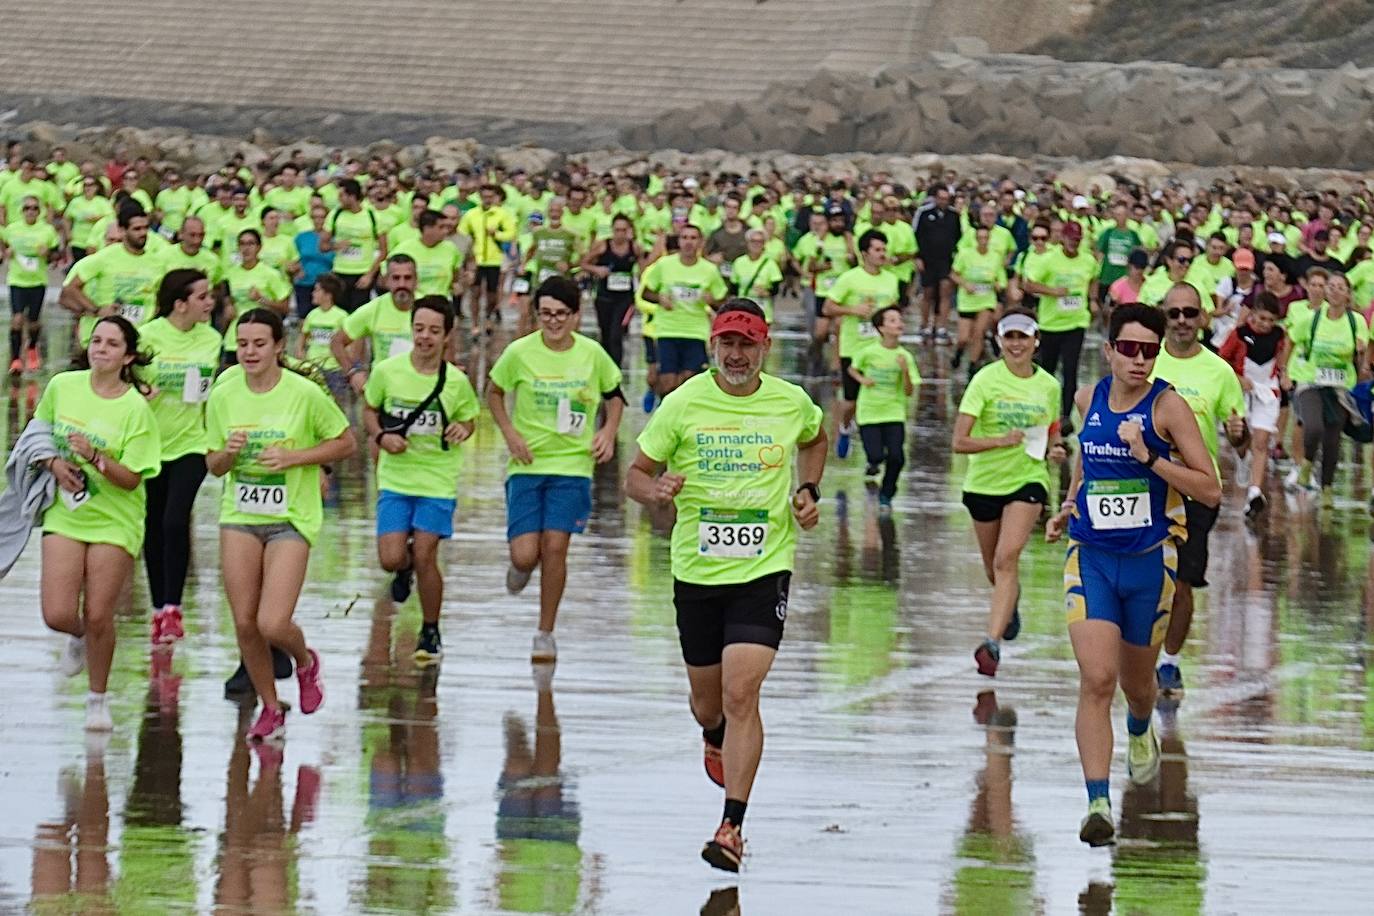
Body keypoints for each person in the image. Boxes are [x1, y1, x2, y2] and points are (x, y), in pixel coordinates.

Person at [626, 300, 826, 872]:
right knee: (708, 703)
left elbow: (816, 438)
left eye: (747, 344)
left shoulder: (790, 401)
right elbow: (635, 474)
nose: (737, 355)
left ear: (765, 348)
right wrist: (655, 492)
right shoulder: (683, 403)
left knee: (742, 693)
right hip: (697, 570)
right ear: (713, 347)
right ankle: (713, 733)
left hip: (764, 567)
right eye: (727, 344)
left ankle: (732, 826)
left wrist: (807, 490)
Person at [1046, 304, 1220, 848]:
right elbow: (1087, 460)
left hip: (1149, 561)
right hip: (1092, 556)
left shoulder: (1168, 408)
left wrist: (1149, 459)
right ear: (1109, 351)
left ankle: (1141, 727)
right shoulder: (1087, 398)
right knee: (1097, 678)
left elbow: (1209, 488)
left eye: (1149, 350)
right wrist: (1068, 503)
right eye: (1129, 349)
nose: (1139, 360)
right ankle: (1097, 802)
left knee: (1137, 687)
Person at [206, 308, 356, 741]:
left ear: (278, 346)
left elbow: (345, 443)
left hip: (291, 516)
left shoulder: (303, 393)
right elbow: (213, 465)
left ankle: (305, 662)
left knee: (272, 622)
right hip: (240, 515)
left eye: (259, 344)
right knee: (245, 624)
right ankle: (271, 708)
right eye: (242, 344)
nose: (249, 352)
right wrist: (229, 453)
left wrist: (295, 458)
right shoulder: (223, 393)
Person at [487, 275, 624, 663]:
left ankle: (545, 632)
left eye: (562, 314)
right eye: (546, 314)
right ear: (536, 315)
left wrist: (608, 432)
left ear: (576, 316)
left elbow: (615, 396)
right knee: (525, 554)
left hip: (573, 465)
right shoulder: (519, 352)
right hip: (527, 463)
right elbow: (494, 392)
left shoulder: (592, 354)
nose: (554, 322)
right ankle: (520, 569)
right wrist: (510, 433)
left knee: (556, 547)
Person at [38, 315, 161, 731]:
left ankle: (97, 699)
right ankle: (77, 636)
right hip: (66, 512)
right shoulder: (63, 386)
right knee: (57, 613)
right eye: (96, 341)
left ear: (127, 357)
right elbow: (37, 435)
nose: (101, 349)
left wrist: (94, 457)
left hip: (115, 520)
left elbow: (132, 479)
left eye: (111, 344)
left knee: (98, 614)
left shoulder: (135, 409)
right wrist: (55, 464)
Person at [363, 296, 479, 661]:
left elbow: (469, 419)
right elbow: (369, 410)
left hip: (436, 480)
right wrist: (382, 437)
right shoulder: (387, 371)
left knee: (427, 554)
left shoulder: (456, 382)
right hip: (395, 478)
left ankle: (430, 629)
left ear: (447, 336)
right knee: (390, 558)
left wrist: (462, 429)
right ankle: (404, 567)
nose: (425, 337)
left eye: (433, 331)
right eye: (419, 329)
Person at [1148, 284, 1248, 697]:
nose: (1182, 321)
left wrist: (1238, 434)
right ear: (1164, 317)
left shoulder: (1219, 371)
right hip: (1147, 484)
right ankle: (1137, 654)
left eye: (1190, 313)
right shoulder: (1145, 361)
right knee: (1146, 577)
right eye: (1174, 314)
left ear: (1203, 317)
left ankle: (1170, 662)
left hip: (1196, 490)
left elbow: (1240, 442)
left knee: (1183, 583)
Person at [954, 310, 1065, 677]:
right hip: (984, 483)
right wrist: (1000, 441)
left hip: (1028, 480)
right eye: (1010, 337)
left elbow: (1051, 430)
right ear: (999, 341)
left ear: (1036, 341)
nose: (1017, 344)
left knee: (1006, 558)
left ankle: (991, 643)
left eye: (1023, 337)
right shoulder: (985, 380)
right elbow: (959, 442)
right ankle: (1009, 604)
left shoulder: (1049, 385)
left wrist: (1056, 448)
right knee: (994, 568)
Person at [137, 269, 223, 645]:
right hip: (151, 444)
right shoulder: (147, 335)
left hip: (193, 443)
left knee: (175, 521)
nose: (210, 302)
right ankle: (158, 608)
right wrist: (140, 389)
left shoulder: (213, 338)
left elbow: (214, 389)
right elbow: (122, 378)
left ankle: (173, 607)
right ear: (180, 303)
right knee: (153, 525)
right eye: (202, 296)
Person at [1284, 271, 1370, 506]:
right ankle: (1306, 465)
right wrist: (1284, 372)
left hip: (1340, 386)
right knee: (1313, 427)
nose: (1335, 291)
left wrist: (1361, 353)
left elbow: (1362, 349)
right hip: (1310, 381)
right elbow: (1290, 340)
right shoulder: (1312, 319)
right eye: (1331, 286)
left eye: (1340, 287)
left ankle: (1327, 490)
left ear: (1348, 294)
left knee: (1333, 440)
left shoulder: (1356, 321)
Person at [824, 229, 899, 458]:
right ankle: (845, 427)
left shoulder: (891, 279)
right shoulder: (850, 278)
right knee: (851, 402)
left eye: (884, 249)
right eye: (877, 250)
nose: (882, 254)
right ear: (865, 253)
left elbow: (894, 311)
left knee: (878, 400)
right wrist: (852, 309)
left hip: (881, 350)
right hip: (854, 348)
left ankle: (875, 449)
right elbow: (828, 307)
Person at [1219, 293, 1289, 518]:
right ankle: (1242, 458)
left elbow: (1282, 359)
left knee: (1261, 442)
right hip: (1240, 392)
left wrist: (1284, 375)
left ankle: (1254, 492)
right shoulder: (1238, 334)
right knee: (1240, 438)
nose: (1266, 324)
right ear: (1253, 314)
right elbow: (1221, 361)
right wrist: (1238, 379)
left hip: (1267, 393)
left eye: (1271, 320)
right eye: (1262, 318)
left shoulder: (1280, 336)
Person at [639, 224, 728, 397]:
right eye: (684, 238)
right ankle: (663, 405)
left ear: (700, 242)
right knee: (668, 382)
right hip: (667, 330)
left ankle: (681, 409)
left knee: (690, 381)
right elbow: (646, 293)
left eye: (693, 238)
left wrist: (712, 300)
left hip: (696, 332)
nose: (688, 242)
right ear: (679, 241)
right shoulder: (664, 265)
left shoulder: (709, 270)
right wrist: (660, 298)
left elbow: (723, 302)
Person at [1023, 220, 1097, 427]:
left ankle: (1066, 416)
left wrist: (1093, 300)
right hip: (1051, 324)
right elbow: (1028, 284)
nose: (1074, 243)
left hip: (1076, 323)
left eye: (1077, 239)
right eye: (1070, 239)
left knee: (1070, 370)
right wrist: (1052, 291)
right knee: (1048, 370)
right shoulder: (1049, 259)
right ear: (1062, 238)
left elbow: (1094, 279)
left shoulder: (1088, 260)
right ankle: (1045, 410)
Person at [60, 202, 163, 345]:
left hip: (141, 336)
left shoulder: (158, 261)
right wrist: (96, 310)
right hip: (107, 336)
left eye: (146, 228)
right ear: (122, 230)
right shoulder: (103, 257)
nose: (143, 233)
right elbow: (70, 289)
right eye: (137, 229)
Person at [847, 306, 919, 511]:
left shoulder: (905, 356)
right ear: (881, 328)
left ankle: (887, 493)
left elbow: (909, 391)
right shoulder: (869, 352)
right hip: (869, 411)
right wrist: (863, 379)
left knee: (897, 457)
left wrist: (904, 372)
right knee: (876, 455)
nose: (899, 324)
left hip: (894, 412)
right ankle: (873, 463)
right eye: (893, 321)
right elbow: (852, 369)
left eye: (900, 320)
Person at [331, 254, 419, 397]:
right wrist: (352, 373)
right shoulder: (374, 309)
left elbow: (447, 347)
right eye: (396, 278)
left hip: (420, 388)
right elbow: (337, 342)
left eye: (407, 278)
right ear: (386, 280)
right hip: (384, 391)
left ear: (416, 280)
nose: (402, 284)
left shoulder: (428, 308)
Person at [1, 194, 61, 374]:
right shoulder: (12, 229)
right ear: (22, 211)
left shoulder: (47, 231)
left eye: (35, 208)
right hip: (17, 281)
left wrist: (48, 254)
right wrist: (5, 252)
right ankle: (15, 359)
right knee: (17, 319)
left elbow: (56, 255)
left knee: (33, 322)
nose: (31, 211)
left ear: (39, 211)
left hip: (38, 281)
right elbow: (3, 244)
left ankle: (32, 348)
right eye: (27, 208)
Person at [581, 213, 640, 367]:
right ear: (612, 230)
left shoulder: (635, 247)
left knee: (617, 334)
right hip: (604, 297)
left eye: (623, 230)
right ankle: (604, 367)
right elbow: (584, 263)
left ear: (629, 230)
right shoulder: (602, 245)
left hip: (625, 298)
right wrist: (597, 269)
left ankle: (616, 370)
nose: (620, 234)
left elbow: (643, 266)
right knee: (605, 334)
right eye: (617, 230)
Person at [949, 224, 1008, 375]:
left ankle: (972, 365)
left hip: (986, 300)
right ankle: (959, 352)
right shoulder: (965, 254)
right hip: (967, 300)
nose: (983, 241)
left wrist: (999, 285)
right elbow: (954, 274)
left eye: (985, 238)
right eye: (980, 238)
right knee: (963, 338)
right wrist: (965, 284)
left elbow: (1001, 279)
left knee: (979, 332)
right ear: (975, 239)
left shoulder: (995, 256)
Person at [320, 179, 384, 312]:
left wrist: (370, 275)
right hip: (340, 272)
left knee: (359, 312)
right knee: (339, 312)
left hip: (362, 272)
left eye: (342, 195)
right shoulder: (335, 214)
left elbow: (384, 251)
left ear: (352, 196)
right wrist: (335, 246)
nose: (339, 199)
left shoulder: (372, 216)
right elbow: (322, 246)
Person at [914, 186, 961, 343]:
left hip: (946, 261)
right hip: (928, 260)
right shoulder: (924, 213)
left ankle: (941, 326)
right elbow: (917, 236)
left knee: (945, 292)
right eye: (941, 198)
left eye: (946, 199)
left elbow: (958, 238)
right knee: (928, 292)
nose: (943, 201)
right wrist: (918, 257)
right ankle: (924, 324)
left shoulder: (954, 216)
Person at [296, 273, 348, 395]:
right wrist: (300, 352)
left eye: (317, 290)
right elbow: (303, 336)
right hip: (313, 366)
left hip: (334, 368)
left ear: (328, 295)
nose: (313, 293)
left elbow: (348, 343)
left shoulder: (342, 316)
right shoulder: (312, 315)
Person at [729, 228, 784, 325]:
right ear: (747, 243)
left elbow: (776, 289)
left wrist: (766, 292)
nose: (756, 244)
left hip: (762, 311)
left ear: (764, 244)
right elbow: (733, 289)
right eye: (753, 241)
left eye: (760, 241)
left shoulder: (770, 264)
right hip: (742, 311)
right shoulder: (739, 262)